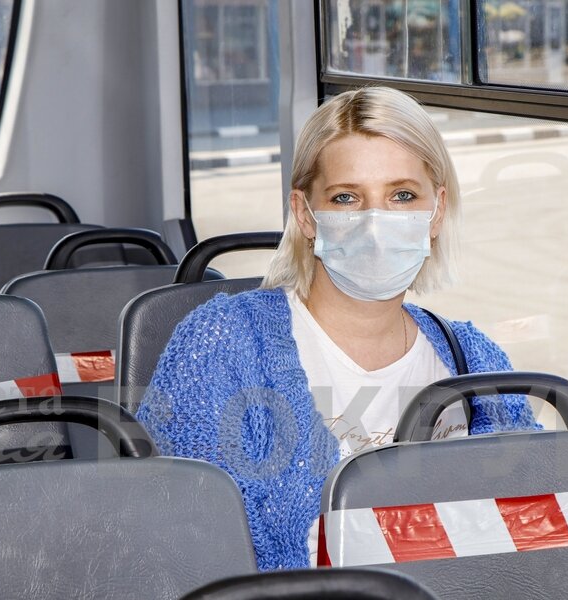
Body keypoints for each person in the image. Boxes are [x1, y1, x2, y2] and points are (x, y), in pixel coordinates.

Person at [136, 87, 539, 572]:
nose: (375, 222)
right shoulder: (224, 345)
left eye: (402, 196)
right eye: (346, 198)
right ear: (305, 214)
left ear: (436, 211)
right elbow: (175, 545)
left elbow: (537, 533)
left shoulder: (476, 361)